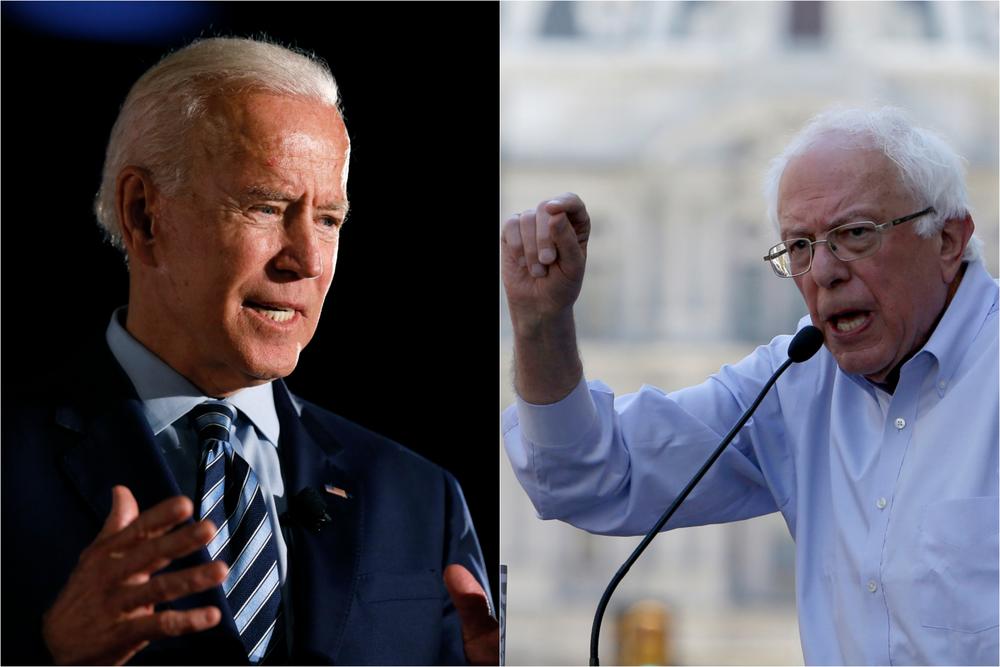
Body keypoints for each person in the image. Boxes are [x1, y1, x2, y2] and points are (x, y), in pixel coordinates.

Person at [3, 37, 496, 666]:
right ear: (144, 215)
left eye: (328, 220)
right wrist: (51, 655)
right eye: (266, 207)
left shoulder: (420, 497)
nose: (308, 262)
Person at [501, 107, 997, 665]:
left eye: (855, 235)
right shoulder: (796, 380)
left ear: (949, 239)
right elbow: (587, 476)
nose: (824, 271)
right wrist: (541, 323)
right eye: (801, 248)